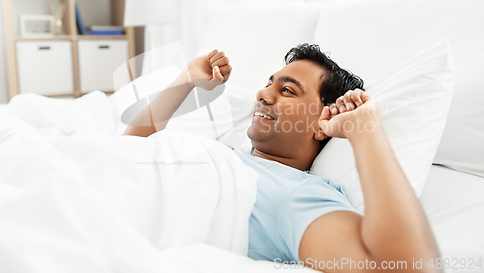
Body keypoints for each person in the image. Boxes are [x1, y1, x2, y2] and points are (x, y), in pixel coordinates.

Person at [124, 44, 442, 272]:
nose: (263, 94)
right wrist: (187, 79)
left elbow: (407, 266)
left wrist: (365, 130)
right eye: (267, 84)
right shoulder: (230, 157)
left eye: (288, 91)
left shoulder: (297, 194)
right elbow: (130, 151)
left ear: (322, 122)